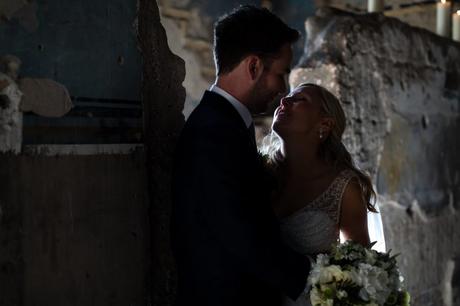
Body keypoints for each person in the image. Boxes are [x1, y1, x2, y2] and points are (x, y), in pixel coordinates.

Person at [171, 5, 311, 306]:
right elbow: (242, 236)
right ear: (254, 67)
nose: (284, 89)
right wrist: (318, 279)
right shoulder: (213, 132)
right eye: (282, 74)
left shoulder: (226, 124)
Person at [262, 82, 379, 306]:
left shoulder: (344, 188)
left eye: (300, 99)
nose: (284, 101)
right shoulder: (258, 174)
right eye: (287, 97)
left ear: (324, 124)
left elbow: (359, 272)